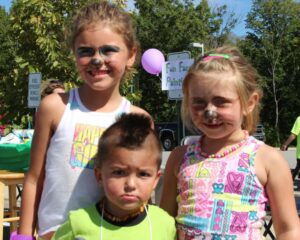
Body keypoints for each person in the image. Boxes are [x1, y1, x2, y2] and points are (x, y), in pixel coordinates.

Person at [15, 2, 150, 240]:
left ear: (131, 55)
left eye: (109, 50)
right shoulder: (55, 107)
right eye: (86, 51)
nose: (97, 60)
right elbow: (35, 178)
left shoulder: (138, 119)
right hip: (55, 235)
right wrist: (24, 235)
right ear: (74, 54)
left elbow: (142, 186)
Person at [160, 46, 300, 239]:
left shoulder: (268, 160)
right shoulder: (179, 157)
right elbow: (164, 222)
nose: (209, 112)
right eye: (199, 102)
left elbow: (288, 229)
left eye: (221, 101)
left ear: (249, 103)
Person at [52, 113, 176, 240]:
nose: (131, 185)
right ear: (99, 176)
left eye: (143, 174)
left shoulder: (165, 224)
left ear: (156, 180)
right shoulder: (78, 224)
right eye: (119, 172)